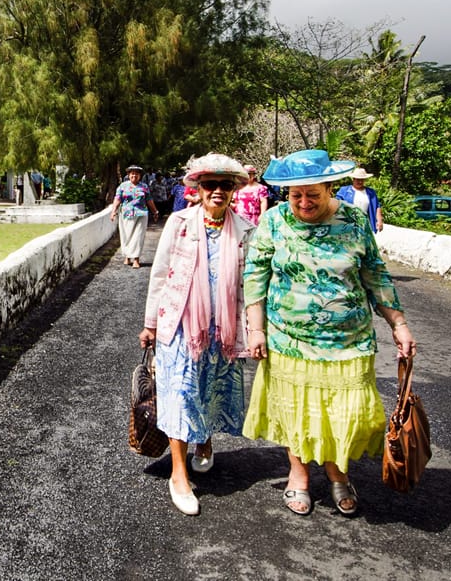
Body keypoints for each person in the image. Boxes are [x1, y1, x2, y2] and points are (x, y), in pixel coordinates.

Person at [242, 149, 417, 517]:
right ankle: (299, 476)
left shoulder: (354, 220)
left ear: (330, 188)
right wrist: (255, 328)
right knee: (297, 411)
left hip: (348, 341)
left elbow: (375, 274)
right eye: (295, 195)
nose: (304, 203)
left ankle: (338, 474)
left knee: (345, 412)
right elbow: (255, 275)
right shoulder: (273, 222)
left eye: (313, 195)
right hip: (290, 340)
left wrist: (398, 324)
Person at [139, 153, 254, 516]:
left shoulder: (247, 229)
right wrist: (150, 324)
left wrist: (256, 329)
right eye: (210, 185)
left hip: (223, 329)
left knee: (210, 390)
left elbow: (252, 285)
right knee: (181, 393)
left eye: (225, 185)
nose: (217, 191)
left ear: (234, 190)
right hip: (181, 326)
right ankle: (179, 474)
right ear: (198, 189)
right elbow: (160, 275)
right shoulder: (180, 223)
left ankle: (204, 440)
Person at [110, 165, 159, 269]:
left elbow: (149, 200)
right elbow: (117, 199)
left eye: (137, 173)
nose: (134, 175)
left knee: (138, 236)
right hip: (126, 214)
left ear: (140, 175)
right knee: (126, 236)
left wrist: (155, 211)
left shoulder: (144, 187)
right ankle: (127, 256)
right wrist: (113, 211)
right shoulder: (123, 186)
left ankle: (136, 259)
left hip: (141, 214)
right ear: (128, 175)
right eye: (132, 173)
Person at [335, 167, 383, 232]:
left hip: (365, 223)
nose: (360, 181)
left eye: (362, 179)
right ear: (353, 179)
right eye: (358, 179)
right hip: (348, 223)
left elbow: (377, 206)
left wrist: (379, 220)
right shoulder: (344, 191)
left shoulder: (371, 192)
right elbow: (336, 204)